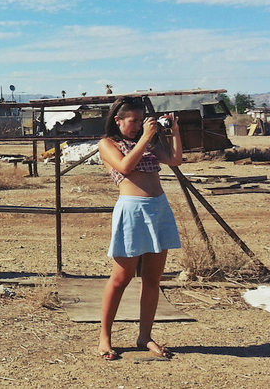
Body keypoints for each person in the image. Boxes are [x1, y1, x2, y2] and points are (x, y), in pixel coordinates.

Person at [95, 96, 182, 360]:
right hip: (132, 209)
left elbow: (175, 160)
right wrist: (145, 138)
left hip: (159, 207)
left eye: (139, 121)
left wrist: (174, 132)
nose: (136, 126)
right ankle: (104, 337)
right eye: (131, 121)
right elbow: (124, 166)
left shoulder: (147, 141)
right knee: (121, 278)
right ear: (117, 120)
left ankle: (145, 335)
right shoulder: (108, 144)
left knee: (153, 279)